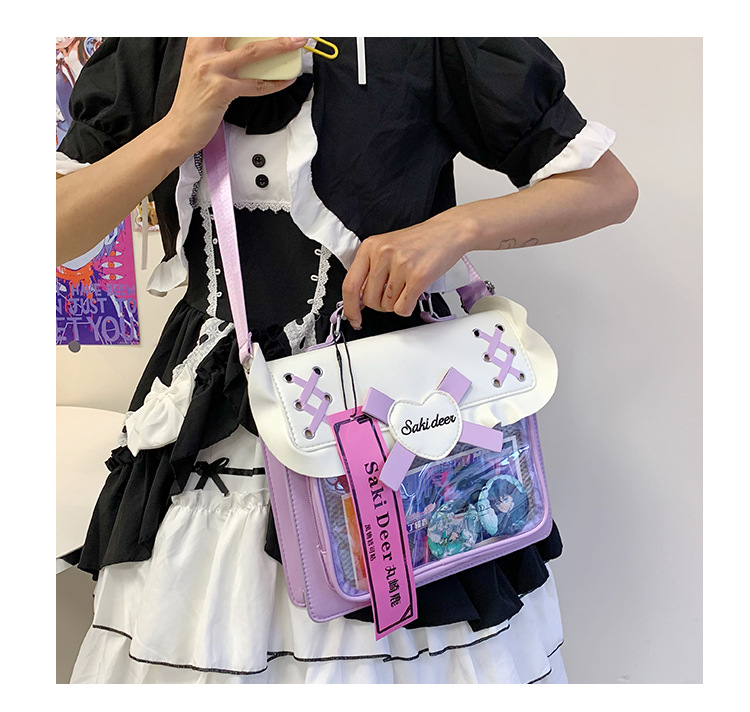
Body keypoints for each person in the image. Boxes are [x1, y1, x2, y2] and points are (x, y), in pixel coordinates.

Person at [56, 37, 638, 684]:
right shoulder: (159, 41)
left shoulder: (426, 34)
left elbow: (608, 188)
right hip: (212, 418)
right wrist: (176, 130)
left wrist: (455, 229)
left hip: (399, 413)